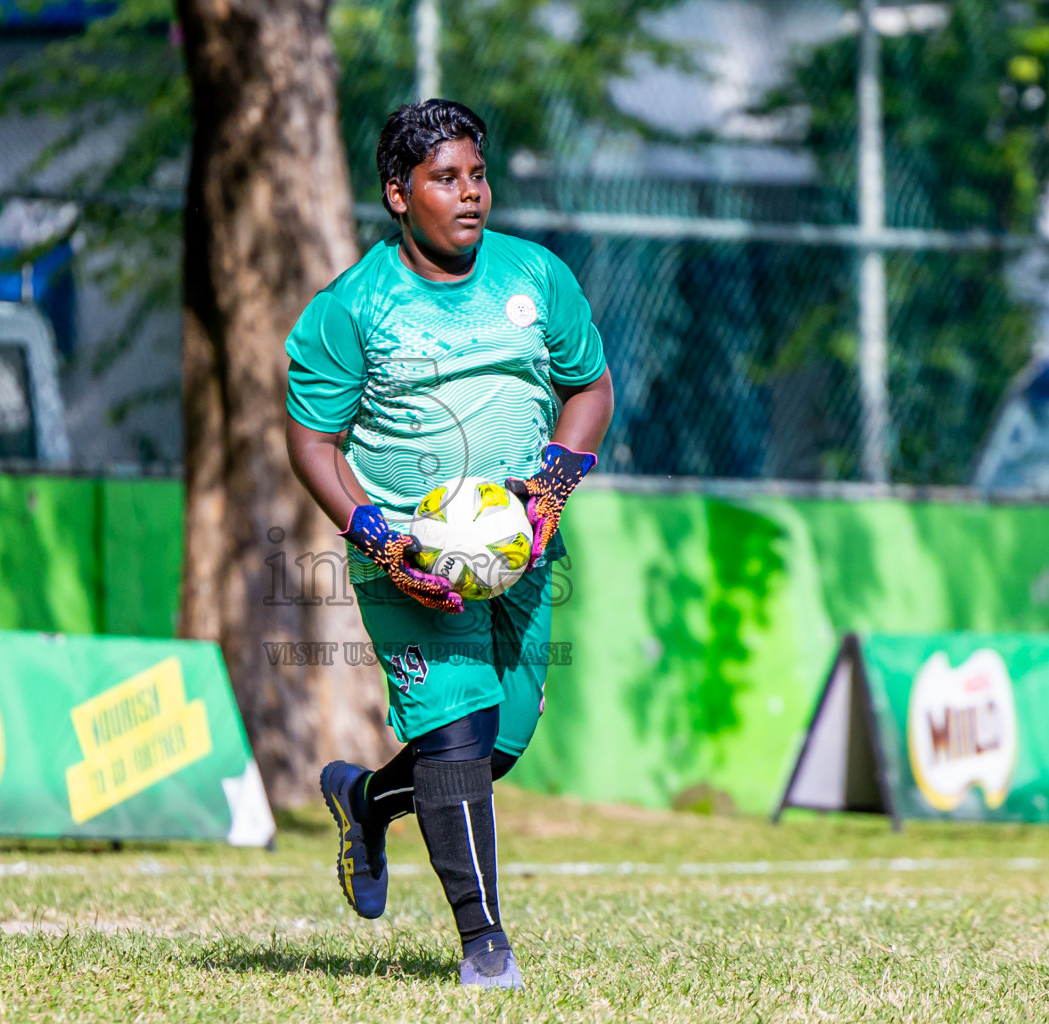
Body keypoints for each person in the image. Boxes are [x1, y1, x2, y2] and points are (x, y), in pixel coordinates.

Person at [283, 98, 614, 989]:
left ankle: (364, 799)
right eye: (444, 179)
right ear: (398, 194)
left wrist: (546, 494)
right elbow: (311, 444)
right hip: (408, 560)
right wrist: (383, 543)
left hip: (524, 551)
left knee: (496, 744)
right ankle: (485, 945)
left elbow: (590, 389)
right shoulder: (352, 309)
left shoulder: (537, 277)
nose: (469, 195)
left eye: (477, 175)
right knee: (458, 737)